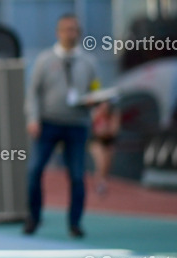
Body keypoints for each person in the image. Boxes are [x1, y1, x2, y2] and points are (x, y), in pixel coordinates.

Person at [25, 13, 99, 238]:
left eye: (73, 30)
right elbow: (33, 92)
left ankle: (75, 223)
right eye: (66, 29)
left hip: (76, 124)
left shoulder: (88, 62)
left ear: (79, 33)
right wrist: (33, 118)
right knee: (35, 170)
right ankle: (33, 218)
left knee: (77, 175)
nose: (70, 34)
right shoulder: (44, 60)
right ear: (58, 33)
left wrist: (95, 103)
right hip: (48, 123)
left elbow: (96, 90)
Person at [90, 99, 120, 196]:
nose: (104, 107)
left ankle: (102, 182)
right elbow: (94, 130)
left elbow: (114, 130)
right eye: (103, 105)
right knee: (101, 163)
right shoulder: (96, 113)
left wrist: (106, 131)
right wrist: (102, 132)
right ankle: (99, 184)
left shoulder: (114, 114)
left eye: (106, 105)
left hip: (109, 142)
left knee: (107, 165)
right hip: (97, 141)